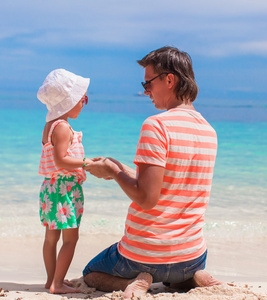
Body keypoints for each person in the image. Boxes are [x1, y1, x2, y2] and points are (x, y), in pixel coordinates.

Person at [83, 46, 223, 299]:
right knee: (179, 272)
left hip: (144, 255)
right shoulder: (209, 131)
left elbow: (147, 199)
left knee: (90, 273)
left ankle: (140, 278)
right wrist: (120, 167)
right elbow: (171, 183)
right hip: (191, 256)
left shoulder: (156, 124)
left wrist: (115, 173)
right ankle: (190, 278)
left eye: (148, 83)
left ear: (169, 80)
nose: (146, 90)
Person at [37, 68, 93, 294]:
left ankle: (51, 280)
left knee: (51, 238)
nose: (84, 103)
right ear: (68, 101)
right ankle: (58, 283)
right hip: (65, 189)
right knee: (70, 239)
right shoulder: (62, 128)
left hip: (52, 189)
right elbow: (61, 160)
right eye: (83, 99)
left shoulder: (51, 125)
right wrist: (86, 163)